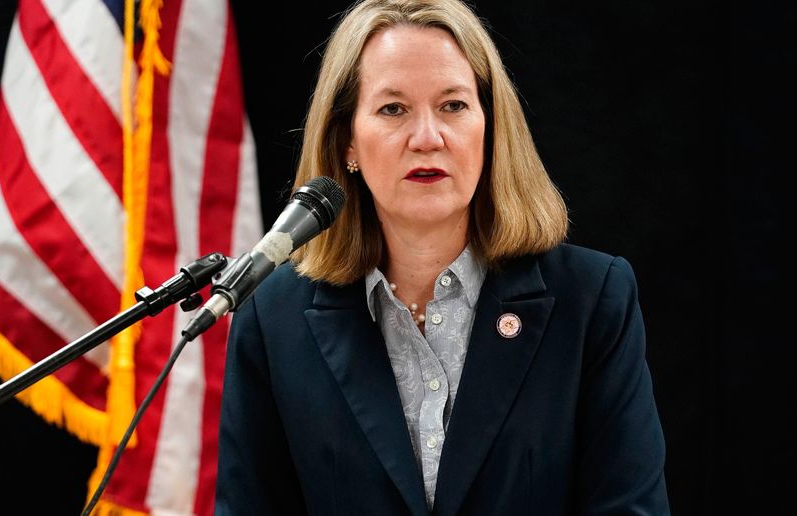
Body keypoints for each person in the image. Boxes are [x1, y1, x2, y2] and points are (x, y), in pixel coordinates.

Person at [215, 0, 669, 514]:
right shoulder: (273, 317)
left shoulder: (591, 300)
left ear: (490, 128)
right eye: (393, 109)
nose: (428, 138)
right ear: (348, 143)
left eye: (453, 105)